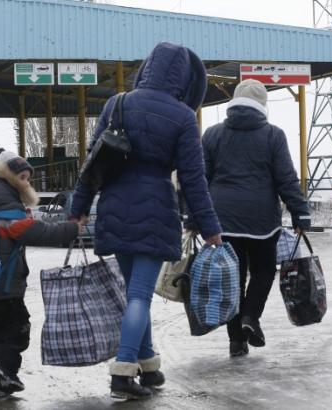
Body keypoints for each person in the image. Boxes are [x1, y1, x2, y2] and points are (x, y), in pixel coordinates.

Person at [70, 42, 223, 399]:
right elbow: (193, 180)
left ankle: (149, 367)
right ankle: (123, 374)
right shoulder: (183, 116)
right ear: (184, 78)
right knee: (139, 295)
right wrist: (211, 228)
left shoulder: (117, 103)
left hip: (113, 206)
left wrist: (77, 211)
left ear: (147, 68)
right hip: (155, 210)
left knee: (135, 293)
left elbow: (90, 166)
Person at [201, 79, 311, 357]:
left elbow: (200, 179)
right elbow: (286, 179)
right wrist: (300, 212)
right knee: (263, 271)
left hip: (222, 218)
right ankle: (251, 316)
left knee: (233, 280)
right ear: (262, 105)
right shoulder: (273, 135)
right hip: (262, 220)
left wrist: (195, 217)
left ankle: (236, 341)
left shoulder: (212, 134)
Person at [0, 150, 83, 399]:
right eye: (22, 177)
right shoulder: (8, 210)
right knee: (16, 329)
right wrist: (72, 228)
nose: (27, 183)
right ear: (8, 178)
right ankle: (4, 370)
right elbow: (39, 232)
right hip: (5, 288)